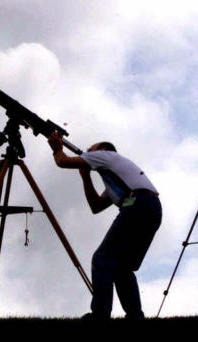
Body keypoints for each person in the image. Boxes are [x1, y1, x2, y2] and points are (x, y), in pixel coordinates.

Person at [48, 132, 161, 320]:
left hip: (137, 204)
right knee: (122, 267)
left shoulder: (106, 155)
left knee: (102, 258)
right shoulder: (115, 178)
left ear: (102, 150)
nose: (87, 153)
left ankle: (100, 314)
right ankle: (135, 316)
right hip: (150, 208)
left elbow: (62, 161)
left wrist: (57, 148)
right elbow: (96, 206)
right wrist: (86, 178)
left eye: (90, 149)